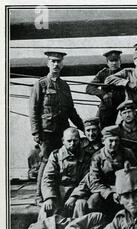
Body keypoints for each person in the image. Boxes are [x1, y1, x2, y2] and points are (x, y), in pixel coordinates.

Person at [29, 51, 84, 203]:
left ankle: (56, 194)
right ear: (48, 64)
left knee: (61, 161)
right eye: (53, 61)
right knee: (45, 161)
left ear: (62, 64)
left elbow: (71, 111)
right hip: (47, 132)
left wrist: (82, 127)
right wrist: (35, 132)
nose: (56, 64)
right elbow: (33, 110)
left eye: (59, 62)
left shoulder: (64, 86)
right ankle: (39, 195)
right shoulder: (40, 84)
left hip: (63, 132)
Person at [39, 128, 91, 220]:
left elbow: (87, 180)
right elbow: (48, 178)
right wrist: (49, 198)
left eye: (75, 140)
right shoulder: (55, 156)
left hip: (78, 193)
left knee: (81, 205)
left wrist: (74, 197)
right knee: (47, 207)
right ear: (63, 141)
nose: (72, 144)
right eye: (69, 141)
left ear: (80, 140)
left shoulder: (86, 157)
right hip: (58, 193)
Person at [88, 125, 137, 218]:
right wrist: (110, 193)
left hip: (125, 189)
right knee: (93, 201)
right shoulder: (97, 157)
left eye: (116, 141)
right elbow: (95, 182)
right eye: (110, 141)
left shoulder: (127, 153)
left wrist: (129, 170)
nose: (114, 144)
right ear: (103, 141)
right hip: (106, 191)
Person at [85, 50, 126, 128]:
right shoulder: (103, 73)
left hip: (122, 104)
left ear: (120, 61)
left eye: (116, 60)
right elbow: (89, 88)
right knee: (104, 127)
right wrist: (103, 94)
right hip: (108, 105)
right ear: (107, 63)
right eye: (111, 61)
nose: (114, 63)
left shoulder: (125, 73)